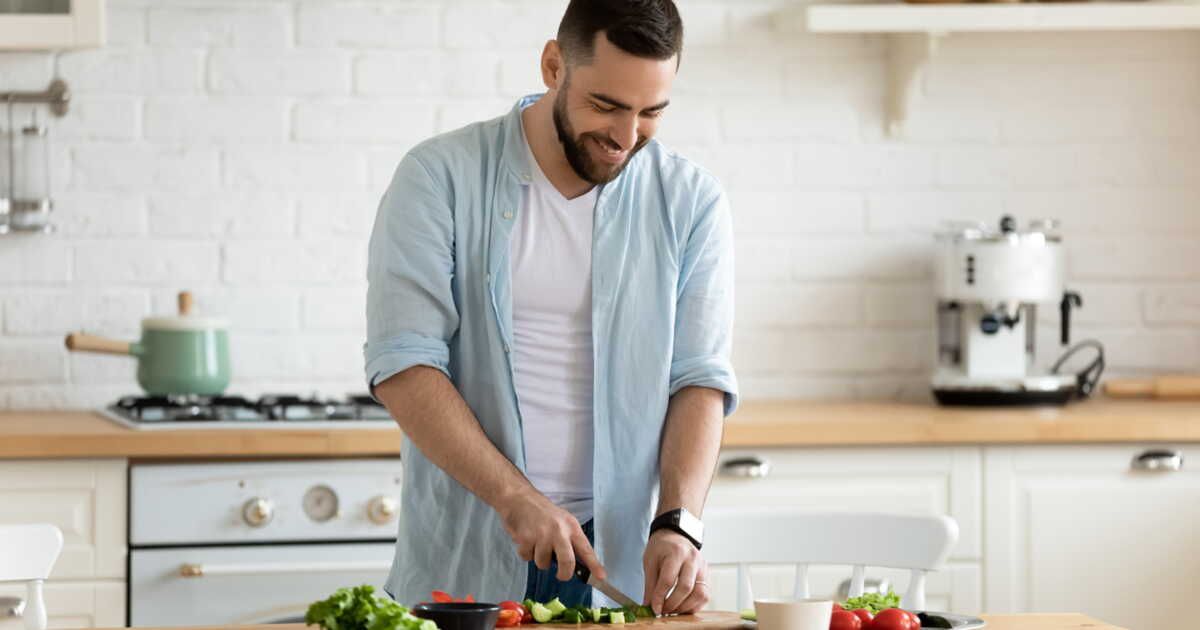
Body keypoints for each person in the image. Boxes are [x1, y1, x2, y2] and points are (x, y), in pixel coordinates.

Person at [365, 0, 736, 615]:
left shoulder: (691, 201)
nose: (626, 137)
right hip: (468, 558)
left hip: (617, 564)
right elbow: (404, 364)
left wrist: (678, 522)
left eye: (650, 112)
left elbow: (699, 378)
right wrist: (516, 498)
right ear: (553, 65)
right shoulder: (438, 177)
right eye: (606, 105)